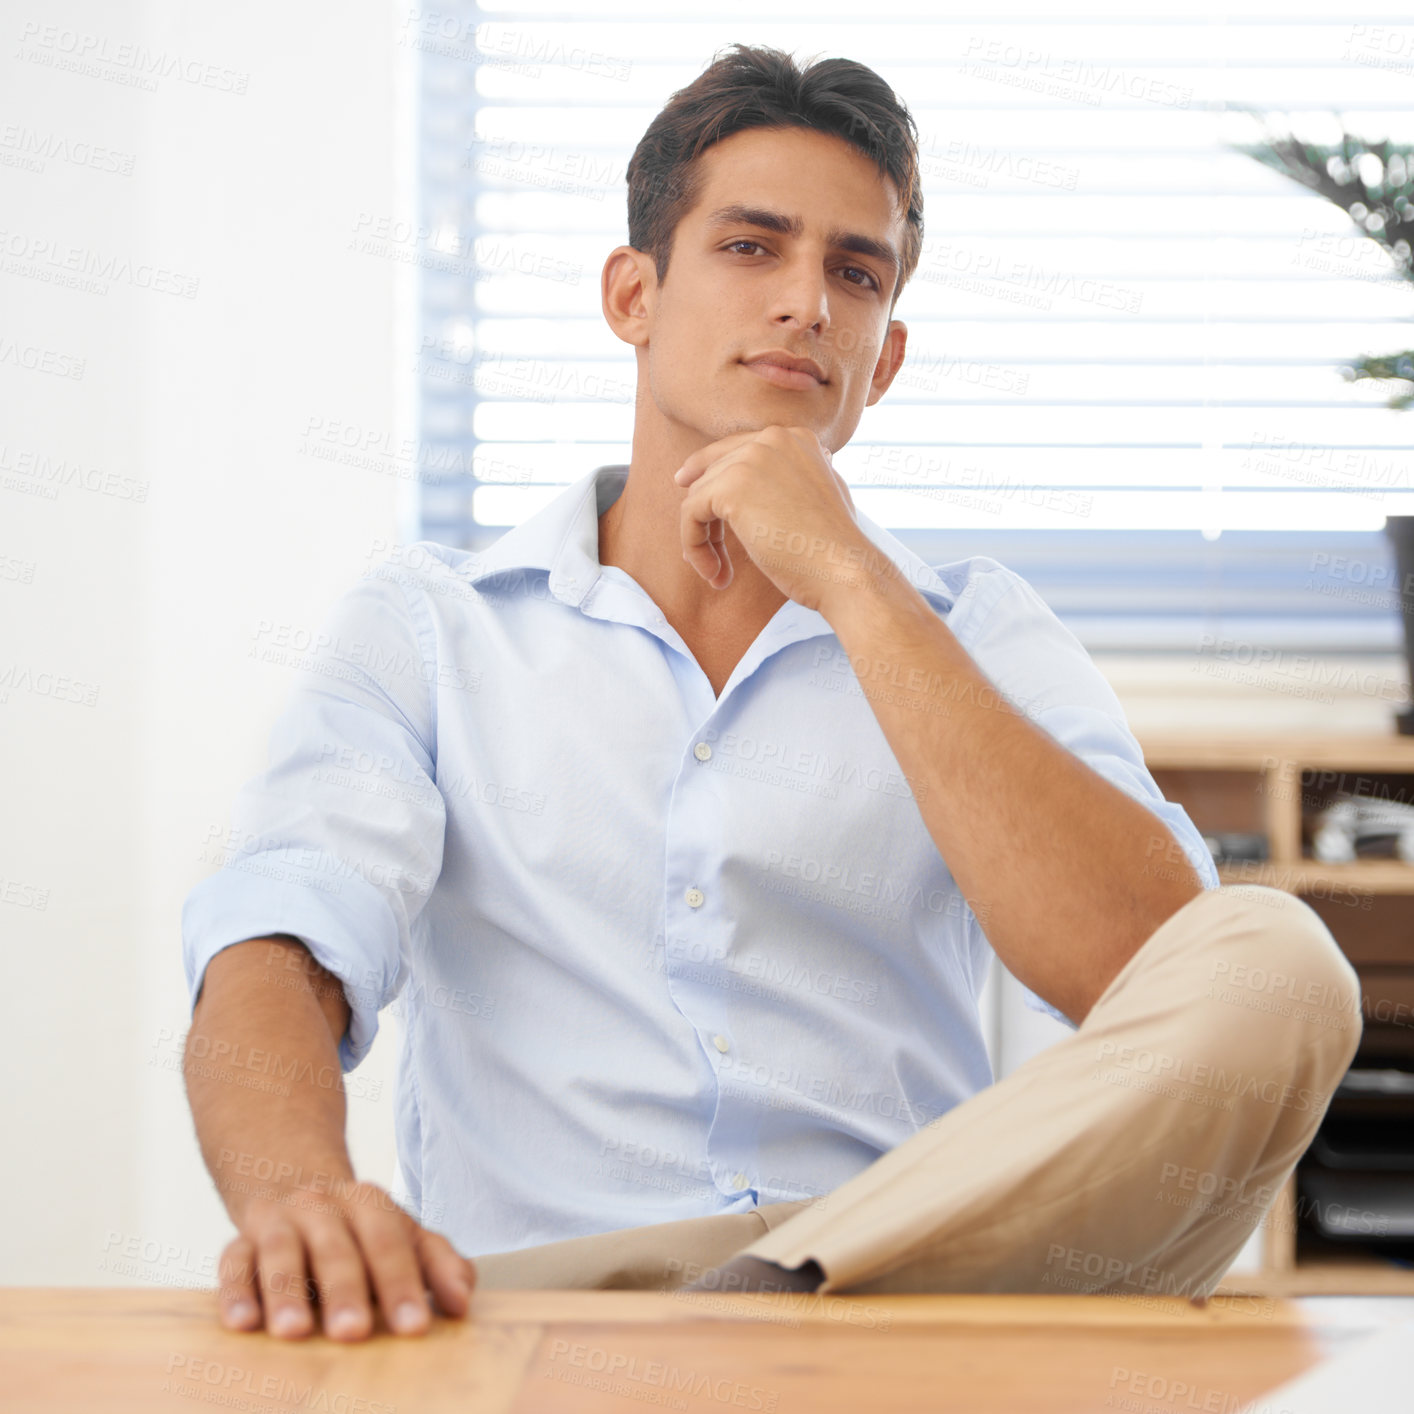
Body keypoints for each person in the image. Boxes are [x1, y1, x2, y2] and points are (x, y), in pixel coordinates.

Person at [181, 43, 1361, 1341]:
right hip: (547, 1309)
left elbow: (1152, 969)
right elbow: (277, 949)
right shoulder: (432, 625)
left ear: (886, 356)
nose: (807, 302)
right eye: (752, 247)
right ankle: (750, 1336)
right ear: (631, 293)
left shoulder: (975, 628)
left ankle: (766, 1315)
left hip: (900, 1273)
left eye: (855, 273)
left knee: (1280, 962)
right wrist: (300, 1197)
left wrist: (853, 582)